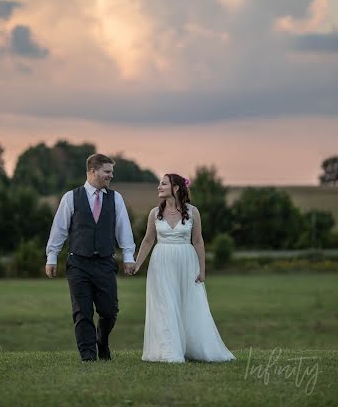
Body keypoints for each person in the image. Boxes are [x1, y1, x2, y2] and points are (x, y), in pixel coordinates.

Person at [134, 173, 235, 363]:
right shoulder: (155, 213)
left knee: (188, 304)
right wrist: (138, 264)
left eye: (163, 184)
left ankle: (193, 348)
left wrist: (202, 270)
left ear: (176, 188)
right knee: (165, 305)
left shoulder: (193, 212)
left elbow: (198, 241)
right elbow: (148, 240)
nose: (159, 187)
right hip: (161, 262)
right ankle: (169, 352)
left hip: (187, 262)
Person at [45, 153, 136, 361]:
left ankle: (101, 341)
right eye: (107, 171)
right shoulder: (71, 197)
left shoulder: (116, 199)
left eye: (111, 172)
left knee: (109, 310)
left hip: (105, 262)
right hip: (78, 263)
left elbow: (124, 229)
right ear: (93, 171)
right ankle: (88, 356)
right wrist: (52, 256)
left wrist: (128, 255)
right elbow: (59, 229)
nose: (110, 176)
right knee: (82, 311)